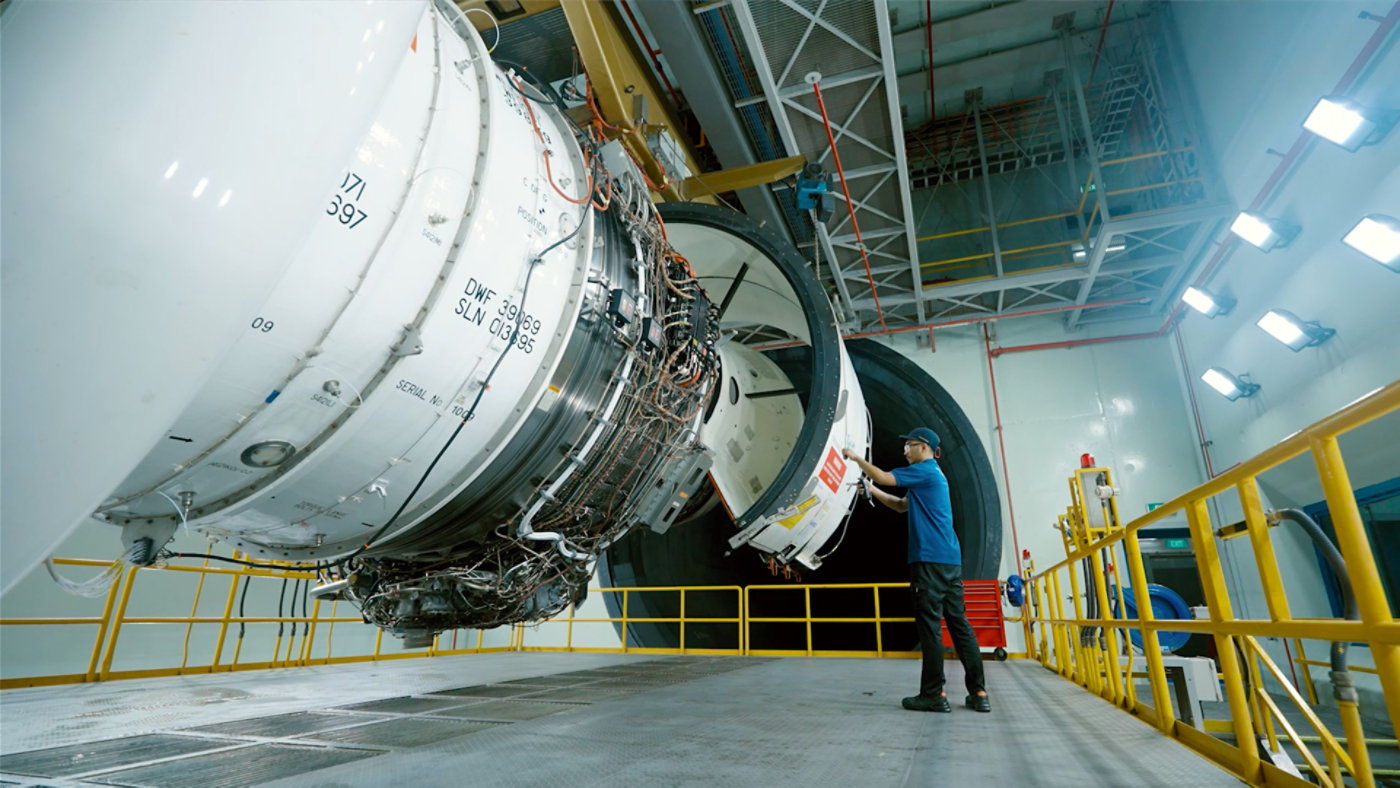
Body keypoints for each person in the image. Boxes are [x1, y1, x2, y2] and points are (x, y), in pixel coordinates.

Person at [843, 428, 990, 713]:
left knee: (930, 628)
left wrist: (856, 458)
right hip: (950, 561)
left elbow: (884, 476)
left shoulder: (924, 471)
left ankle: (933, 694)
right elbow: (901, 506)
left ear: (923, 447)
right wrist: (872, 490)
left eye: (908, 445)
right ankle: (979, 692)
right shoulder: (933, 477)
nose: (905, 451)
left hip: (929, 561)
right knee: (960, 626)